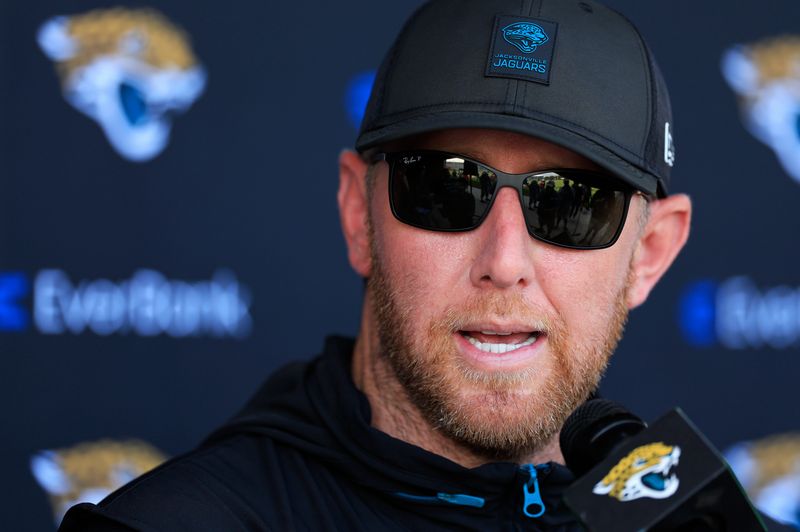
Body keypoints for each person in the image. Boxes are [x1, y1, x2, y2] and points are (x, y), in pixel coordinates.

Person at [61, 0, 731, 530]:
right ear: (358, 214)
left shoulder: (688, 516)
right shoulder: (186, 522)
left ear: (650, 252)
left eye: (573, 205)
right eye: (446, 188)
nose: (504, 262)